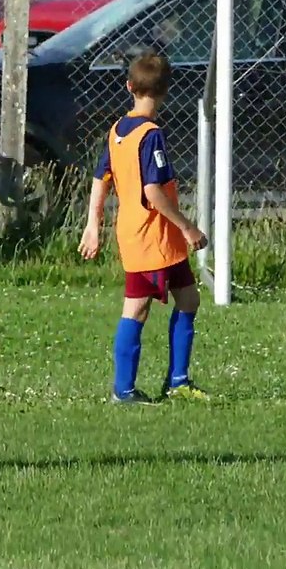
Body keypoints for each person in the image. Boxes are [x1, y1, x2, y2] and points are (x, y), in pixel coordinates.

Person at [78, 51, 209, 405]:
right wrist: (188, 228)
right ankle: (123, 390)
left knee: (189, 298)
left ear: (129, 86)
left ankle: (178, 381)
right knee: (136, 308)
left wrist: (93, 223)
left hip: (151, 236)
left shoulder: (118, 130)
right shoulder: (151, 135)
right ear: (166, 90)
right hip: (150, 236)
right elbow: (153, 192)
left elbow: (99, 178)